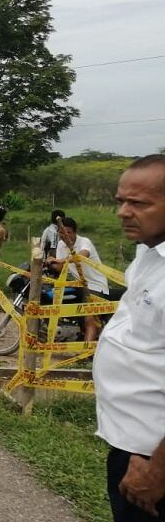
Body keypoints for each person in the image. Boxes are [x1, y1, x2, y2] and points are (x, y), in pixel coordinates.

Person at [93, 154, 165, 521]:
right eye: (120, 200)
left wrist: (157, 469)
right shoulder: (149, 255)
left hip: (153, 457)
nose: (123, 211)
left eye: (138, 203)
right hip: (131, 447)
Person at [48, 216, 108, 342]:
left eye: (68, 232)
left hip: (95, 285)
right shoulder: (61, 244)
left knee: (89, 318)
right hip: (79, 284)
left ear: (75, 232)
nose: (65, 235)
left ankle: (86, 354)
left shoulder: (84, 242)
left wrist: (59, 260)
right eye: (61, 232)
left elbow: (81, 256)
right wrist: (48, 262)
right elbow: (60, 268)